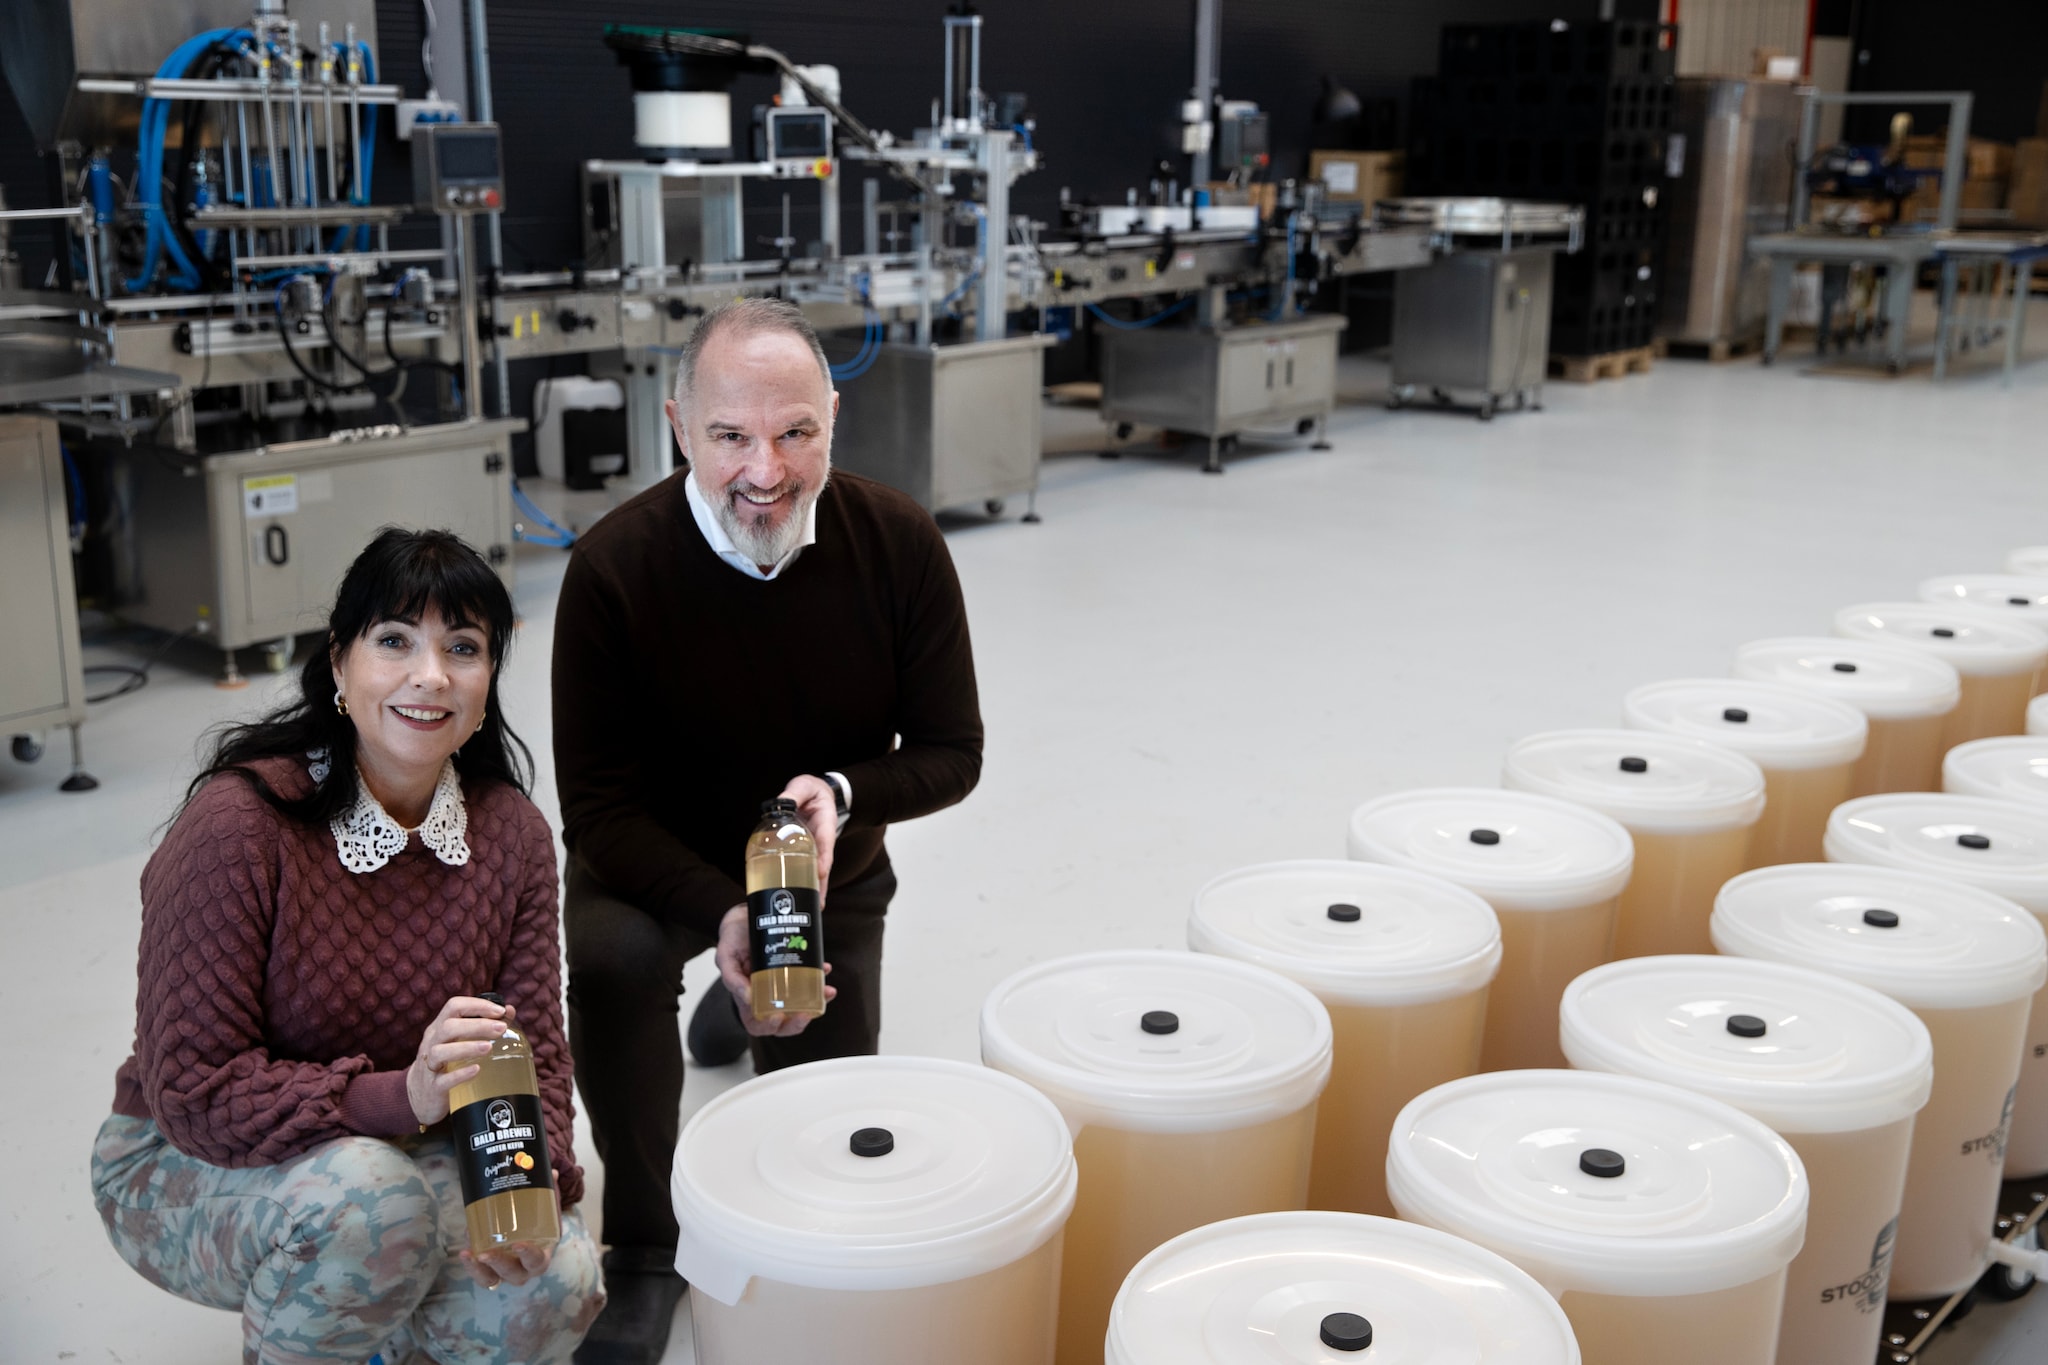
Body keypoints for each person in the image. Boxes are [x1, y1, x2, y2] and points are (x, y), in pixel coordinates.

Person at [553, 297, 984, 1364]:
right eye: (730, 436)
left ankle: (739, 1008)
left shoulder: (898, 544)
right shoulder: (612, 569)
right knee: (610, 965)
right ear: (676, 425)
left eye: (796, 432)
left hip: (826, 864)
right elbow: (597, 806)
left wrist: (839, 791)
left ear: (832, 418)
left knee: (816, 1112)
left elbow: (950, 750)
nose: (766, 468)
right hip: (654, 856)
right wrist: (726, 909)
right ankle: (646, 1249)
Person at [91, 528, 604, 1364]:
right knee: (376, 1207)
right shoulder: (237, 827)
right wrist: (401, 1096)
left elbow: (535, 1055)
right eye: (394, 640)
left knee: (555, 1282)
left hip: (397, 1151)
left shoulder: (510, 833)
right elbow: (191, 1089)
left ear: (488, 681)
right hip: (180, 1161)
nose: (430, 675)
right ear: (339, 661)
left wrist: (529, 1184)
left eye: (463, 647)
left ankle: (390, 1331)